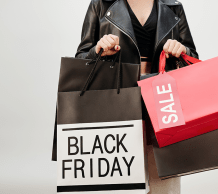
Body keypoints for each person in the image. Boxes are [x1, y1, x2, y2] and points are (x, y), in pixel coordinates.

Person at [75, 0, 199, 193]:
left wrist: (181, 51)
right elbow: (80, 61)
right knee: (119, 177)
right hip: (118, 99)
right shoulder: (101, 4)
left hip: (163, 102)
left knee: (165, 182)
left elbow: (192, 60)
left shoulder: (173, 6)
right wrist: (98, 50)